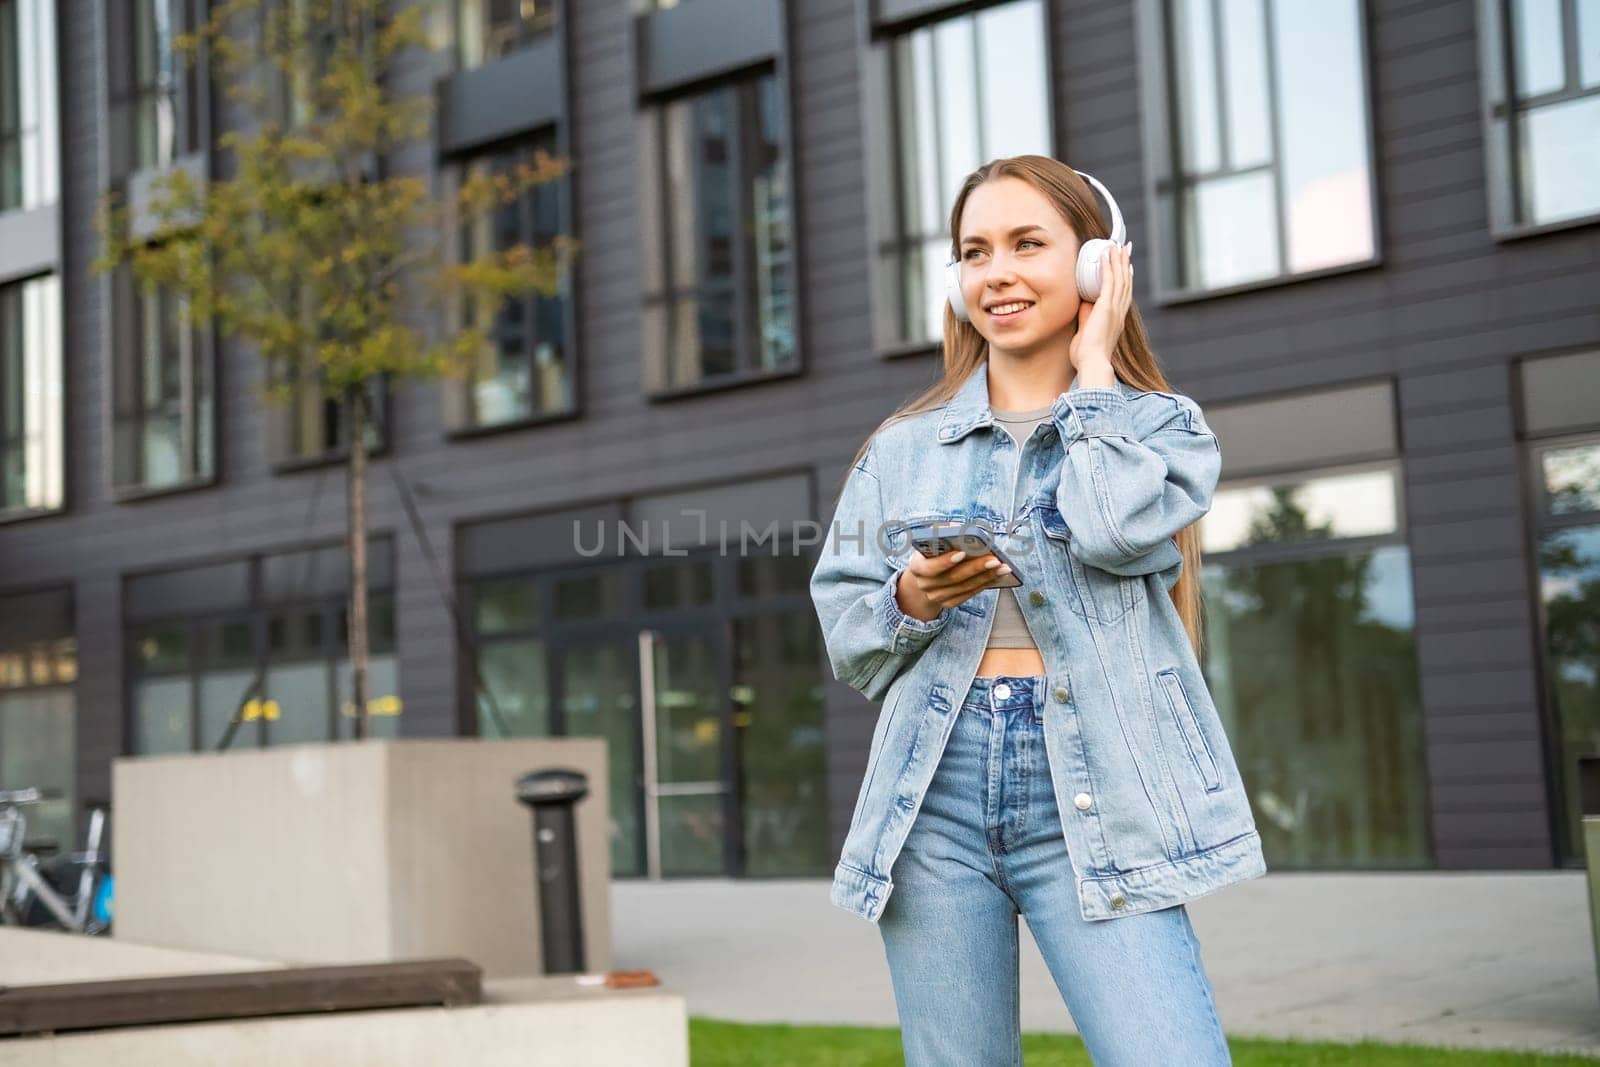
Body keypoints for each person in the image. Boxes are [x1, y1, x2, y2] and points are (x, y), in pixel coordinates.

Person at [808, 155, 1267, 1066]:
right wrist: (910, 597)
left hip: (1098, 784)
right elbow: (847, 634)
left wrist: (1093, 376)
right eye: (975, 251)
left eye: (1028, 244)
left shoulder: (1160, 427)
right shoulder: (901, 449)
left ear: (1099, 265)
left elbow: (1110, 530)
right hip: (934, 790)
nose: (997, 272)